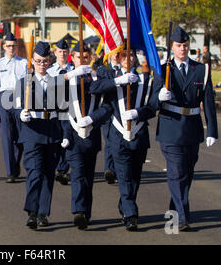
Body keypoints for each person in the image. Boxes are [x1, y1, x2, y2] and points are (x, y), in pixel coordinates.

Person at [156, 26, 218, 231]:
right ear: (171, 47)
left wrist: (212, 131)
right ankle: (181, 219)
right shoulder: (164, 69)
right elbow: (151, 102)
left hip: (192, 128)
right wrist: (159, 97)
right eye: (178, 45)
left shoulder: (201, 70)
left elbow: (208, 102)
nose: (182, 49)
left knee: (187, 174)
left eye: (185, 45)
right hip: (171, 128)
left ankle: (173, 213)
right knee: (177, 173)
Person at [90, 50, 159, 231]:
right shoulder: (112, 76)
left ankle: (125, 204)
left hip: (139, 134)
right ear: (118, 59)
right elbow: (94, 88)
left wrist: (138, 113)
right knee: (123, 176)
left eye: (131, 55)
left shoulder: (145, 79)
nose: (128, 59)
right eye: (123, 56)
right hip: (118, 135)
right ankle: (131, 214)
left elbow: (152, 107)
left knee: (135, 177)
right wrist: (117, 82)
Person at [61, 43, 112, 230]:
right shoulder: (65, 78)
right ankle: (79, 211)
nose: (82, 60)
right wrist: (70, 76)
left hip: (91, 133)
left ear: (90, 58)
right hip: (72, 135)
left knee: (88, 177)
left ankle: (86, 213)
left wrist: (92, 118)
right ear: (72, 58)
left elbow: (107, 107)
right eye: (77, 57)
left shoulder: (97, 78)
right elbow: (51, 92)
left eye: (85, 57)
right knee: (77, 173)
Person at [18, 41, 66, 229]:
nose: (42, 65)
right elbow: (14, 106)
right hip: (32, 131)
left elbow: (63, 109)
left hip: (52, 131)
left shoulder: (56, 82)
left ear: (50, 61)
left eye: (45, 61)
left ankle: (43, 213)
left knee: (48, 174)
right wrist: (21, 114)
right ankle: (32, 212)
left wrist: (65, 134)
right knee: (34, 173)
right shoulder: (24, 82)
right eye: (38, 61)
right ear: (32, 61)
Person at [0, 32, 27, 183]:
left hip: (19, 97)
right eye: (9, 46)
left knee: (20, 136)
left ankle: (15, 162)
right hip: (4, 99)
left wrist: (27, 105)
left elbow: (27, 85)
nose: (11, 48)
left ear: (16, 47)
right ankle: (10, 172)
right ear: (4, 46)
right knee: (6, 137)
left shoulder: (23, 63)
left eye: (13, 46)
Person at [47, 38, 74, 186]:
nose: (62, 54)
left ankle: (63, 170)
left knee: (68, 139)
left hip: (70, 110)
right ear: (55, 53)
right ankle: (55, 165)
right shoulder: (50, 71)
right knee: (56, 140)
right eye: (60, 51)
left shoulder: (74, 69)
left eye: (65, 51)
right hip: (54, 110)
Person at [101, 54, 120, 185]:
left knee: (119, 143)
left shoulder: (127, 69)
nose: (117, 55)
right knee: (109, 141)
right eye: (114, 52)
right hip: (107, 111)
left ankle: (118, 169)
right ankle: (109, 169)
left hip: (121, 113)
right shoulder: (103, 70)